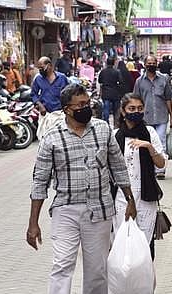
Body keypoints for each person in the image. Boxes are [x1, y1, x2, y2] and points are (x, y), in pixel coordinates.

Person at [27, 83, 137, 294]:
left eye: (88, 103)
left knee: (97, 269)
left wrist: (129, 199)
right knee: (62, 265)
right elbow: (39, 182)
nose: (86, 108)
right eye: (80, 105)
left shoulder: (103, 130)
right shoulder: (51, 138)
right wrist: (33, 223)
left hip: (100, 209)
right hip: (65, 210)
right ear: (67, 109)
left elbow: (118, 166)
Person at [112, 93, 166, 260]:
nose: (136, 111)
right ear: (123, 111)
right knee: (123, 245)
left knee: (144, 245)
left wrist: (149, 147)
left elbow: (161, 164)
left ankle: (145, 283)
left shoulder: (149, 132)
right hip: (121, 197)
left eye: (140, 108)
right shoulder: (114, 136)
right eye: (131, 108)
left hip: (145, 197)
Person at [133, 55, 172, 180]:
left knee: (161, 141)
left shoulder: (163, 79)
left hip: (162, 117)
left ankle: (160, 170)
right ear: (145, 65)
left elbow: (168, 98)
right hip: (146, 118)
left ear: (157, 64)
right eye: (149, 63)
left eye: (153, 62)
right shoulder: (139, 81)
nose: (151, 65)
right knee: (148, 143)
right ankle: (149, 168)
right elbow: (135, 100)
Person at [31, 56, 69, 140]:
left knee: (61, 139)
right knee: (45, 139)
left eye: (41, 68)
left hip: (60, 114)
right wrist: (39, 105)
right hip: (46, 115)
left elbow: (68, 94)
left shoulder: (62, 78)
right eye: (39, 68)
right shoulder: (38, 79)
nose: (40, 70)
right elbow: (33, 94)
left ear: (49, 65)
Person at [98, 57, 123, 126]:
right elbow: (121, 82)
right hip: (115, 93)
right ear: (114, 63)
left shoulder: (103, 71)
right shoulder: (117, 72)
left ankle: (106, 124)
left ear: (106, 63)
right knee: (116, 110)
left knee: (106, 109)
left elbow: (99, 81)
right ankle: (116, 124)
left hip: (106, 93)